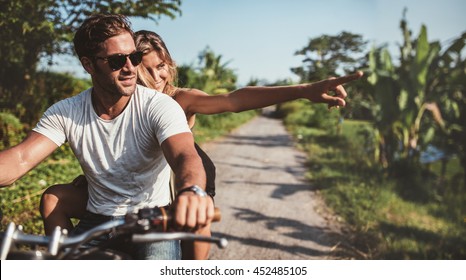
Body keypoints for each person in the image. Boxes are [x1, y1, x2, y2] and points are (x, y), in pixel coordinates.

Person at [39, 30, 363, 259]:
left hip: (177, 182)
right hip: (123, 190)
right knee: (58, 195)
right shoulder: (104, 103)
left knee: (197, 205)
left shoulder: (178, 100)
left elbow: (234, 100)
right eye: (146, 67)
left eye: (161, 64)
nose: (159, 75)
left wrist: (303, 90)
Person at [0, 14, 214, 260]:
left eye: (134, 57)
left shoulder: (159, 106)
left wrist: (191, 190)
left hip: (152, 221)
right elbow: (20, 159)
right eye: (116, 61)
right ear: (88, 65)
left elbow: (185, 155)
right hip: (96, 219)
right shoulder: (67, 111)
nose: (130, 68)